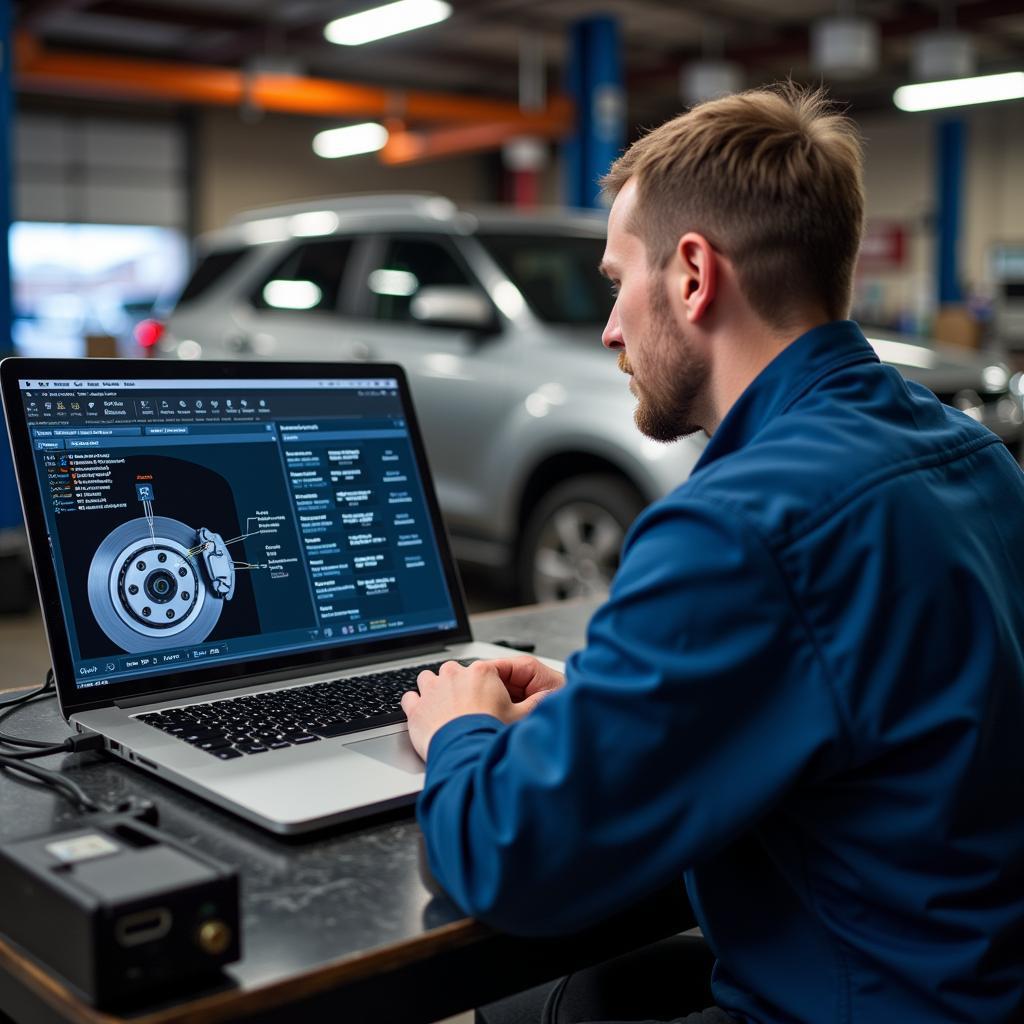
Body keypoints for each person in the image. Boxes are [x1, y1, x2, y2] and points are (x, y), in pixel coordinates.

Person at [399, 84, 1024, 1024]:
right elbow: (871, 697)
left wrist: (461, 731)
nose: (610, 327)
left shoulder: (738, 525)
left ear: (693, 276)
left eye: (618, 281)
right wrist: (615, 705)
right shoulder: (973, 457)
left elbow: (511, 855)